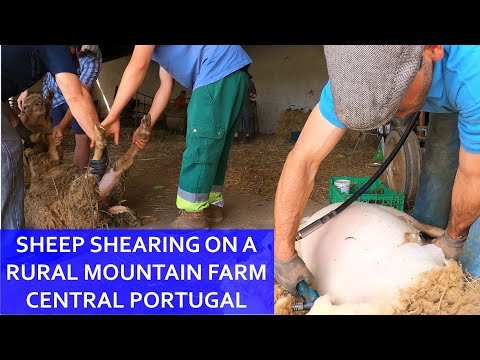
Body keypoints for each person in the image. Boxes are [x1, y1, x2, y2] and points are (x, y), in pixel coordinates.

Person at [274, 45, 480, 294]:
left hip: (468, 86)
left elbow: (473, 175)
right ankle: (424, 243)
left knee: (472, 261)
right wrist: (282, 253)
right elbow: (303, 159)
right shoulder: (360, 75)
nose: (389, 115)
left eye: (397, 93)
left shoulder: (472, 72)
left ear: (433, 48)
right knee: (438, 168)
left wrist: (454, 239)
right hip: (449, 89)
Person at [101, 45, 252, 229]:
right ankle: (211, 207)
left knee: (201, 143)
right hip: (234, 73)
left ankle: (193, 214)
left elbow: (137, 65)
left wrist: (113, 115)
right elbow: (165, 87)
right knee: (215, 145)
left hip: (216, 71)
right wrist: (147, 125)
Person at [1, 45, 107, 229]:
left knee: (9, 150)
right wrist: (99, 144)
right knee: (8, 155)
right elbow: (76, 95)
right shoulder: (56, 47)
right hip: (63, 101)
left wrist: (18, 126)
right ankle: (10, 245)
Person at [17, 45, 102, 169]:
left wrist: (62, 126)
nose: (80, 51)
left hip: (76, 96)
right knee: (52, 136)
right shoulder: (54, 48)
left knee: (82, 136)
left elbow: (78, 98)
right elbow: (38, 63)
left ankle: (77, 174)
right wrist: (25, 89)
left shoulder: (92, 59)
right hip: (52, 95)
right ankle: (53, 173)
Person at [234, 71, 257, 143]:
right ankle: (247, 136)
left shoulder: (234, 81)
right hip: (245, 103)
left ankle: (235, 137)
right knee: (247, 118)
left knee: (236, 119)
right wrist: (249, 97)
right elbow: (254, 95)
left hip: (236, 103)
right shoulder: (249, 82)